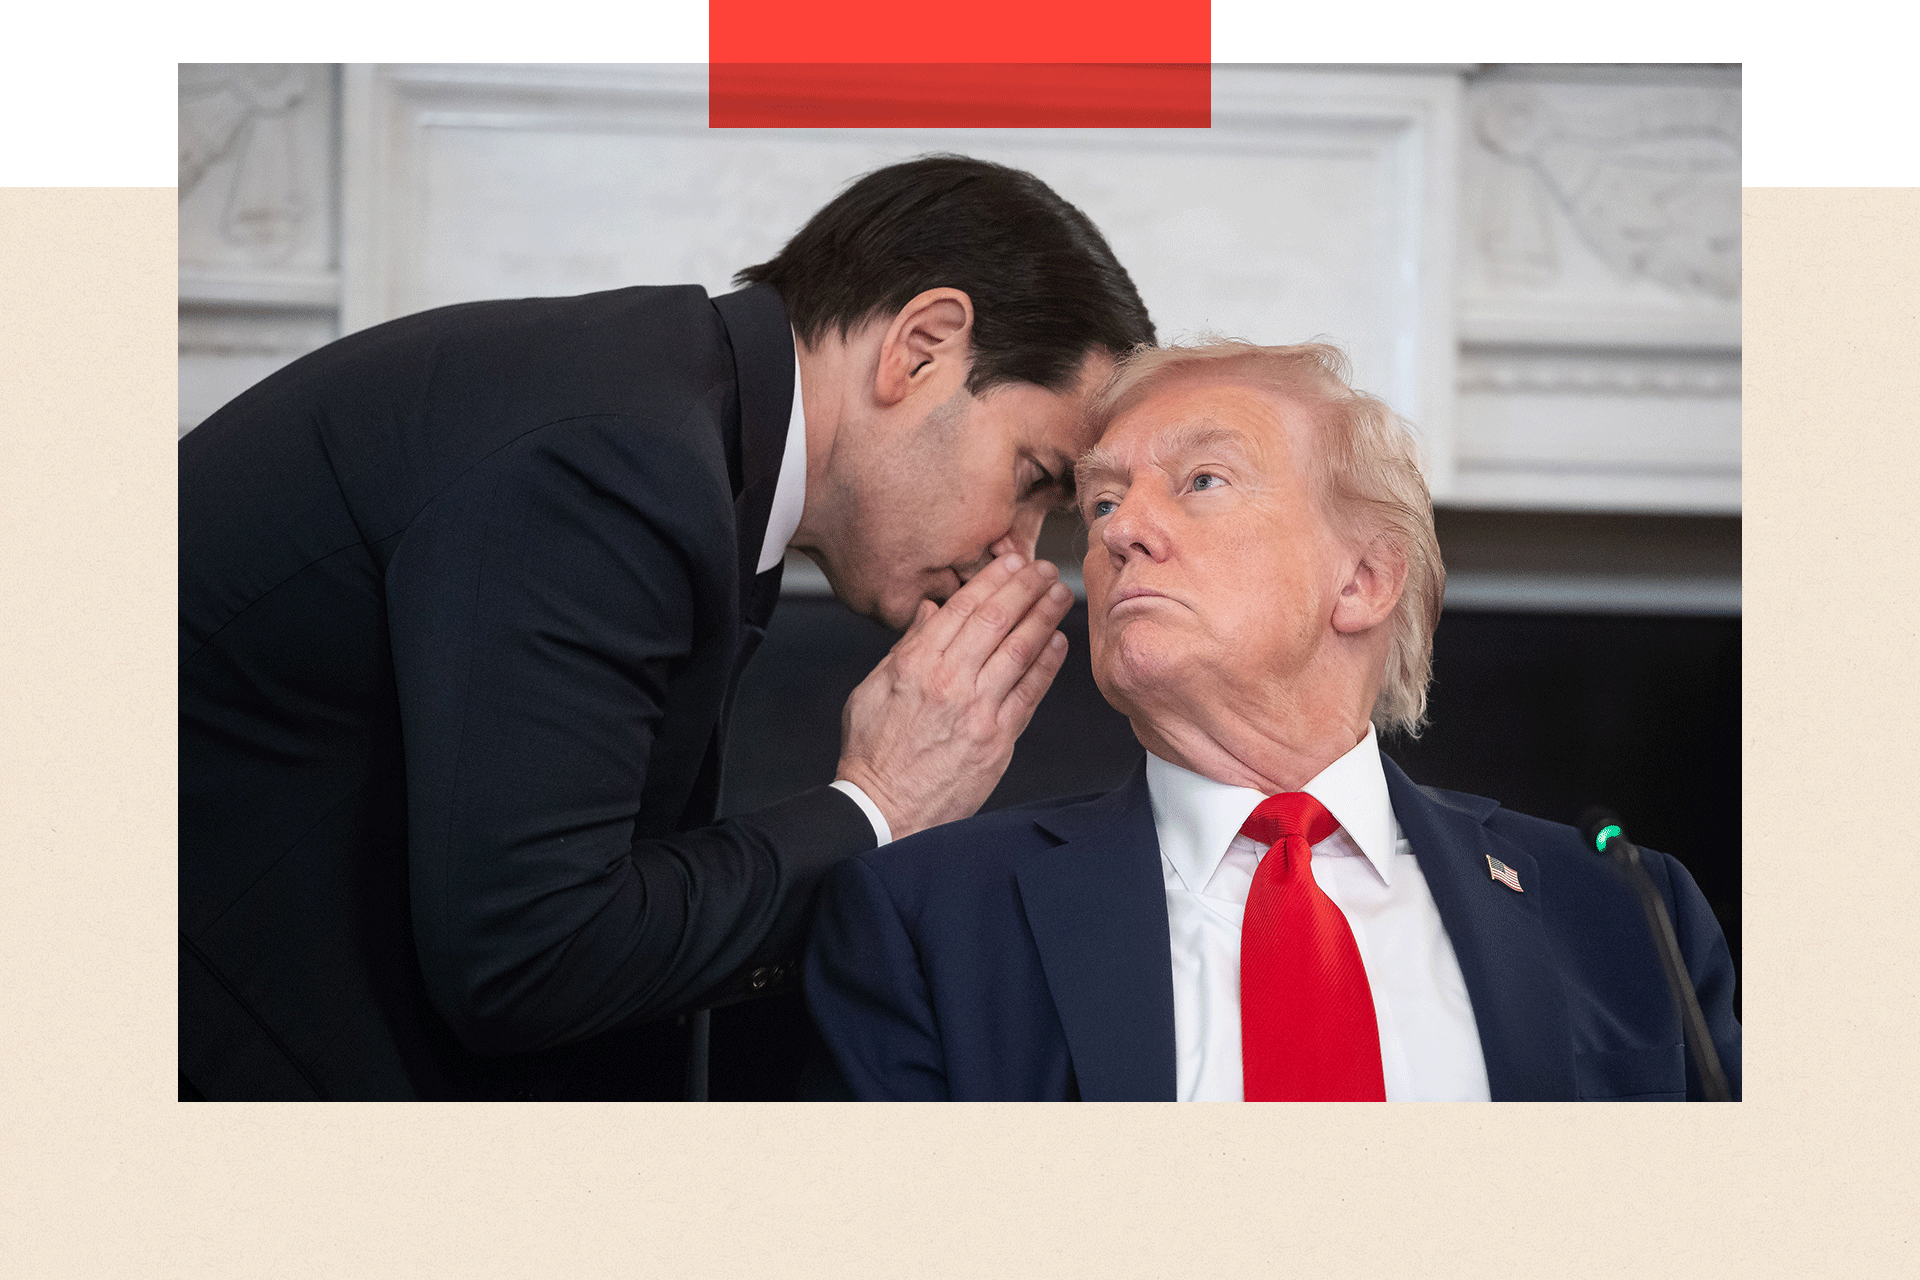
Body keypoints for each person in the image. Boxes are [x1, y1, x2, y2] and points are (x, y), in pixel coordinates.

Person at [178, 154, 1156, 1100]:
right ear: (921, 346)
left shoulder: (678, 422)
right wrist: (879, 803)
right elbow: (530, 956)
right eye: (1035, 480)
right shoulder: (615, 461)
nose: (1019, 551)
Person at [803, 339, 1742, 1101]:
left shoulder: (1624, 911)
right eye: (1100, 501)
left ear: (1364, 581)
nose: (1120, 529)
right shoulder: (929, 917)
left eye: (1203, 480)